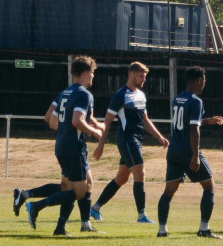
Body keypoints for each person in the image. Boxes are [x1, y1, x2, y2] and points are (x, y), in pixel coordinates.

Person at [24, 56, 104, 236]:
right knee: (78, 192)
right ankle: (35, 206)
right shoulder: (84, 94)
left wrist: (97, 126)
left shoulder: (66, 92)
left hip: (62, 144)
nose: (93, 76)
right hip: (74, 147)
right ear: (85, 73)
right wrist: (95, 132)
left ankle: (69, 227)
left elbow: (54, 118)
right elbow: (77, 120)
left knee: (84, 184)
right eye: (92, 73)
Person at [90, 61, 169, 223]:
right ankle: (142, 215)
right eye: (141, 76)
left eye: (145, 76)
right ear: (131, 74)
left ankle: (95, 208)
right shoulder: (120, 95)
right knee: (140, 173)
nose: (143, 79)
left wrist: (159, 136)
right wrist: (101, 145)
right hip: (126, 139)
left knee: (122, 178)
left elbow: (145, 120)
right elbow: (108, 121)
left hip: (137, 139)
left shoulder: (141, 95)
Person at [156, 66, 223, 239]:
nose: (204, 84)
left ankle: (162, 229)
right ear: (199, 80)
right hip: (188, 151)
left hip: (173, 151)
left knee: (169, 191)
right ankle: (204, 229)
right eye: (204, 81)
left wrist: (208, 121)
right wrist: (195, 155)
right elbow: (194, 129)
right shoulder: (196, 101)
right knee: (209, 187)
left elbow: (185, 121)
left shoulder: (178, 98)